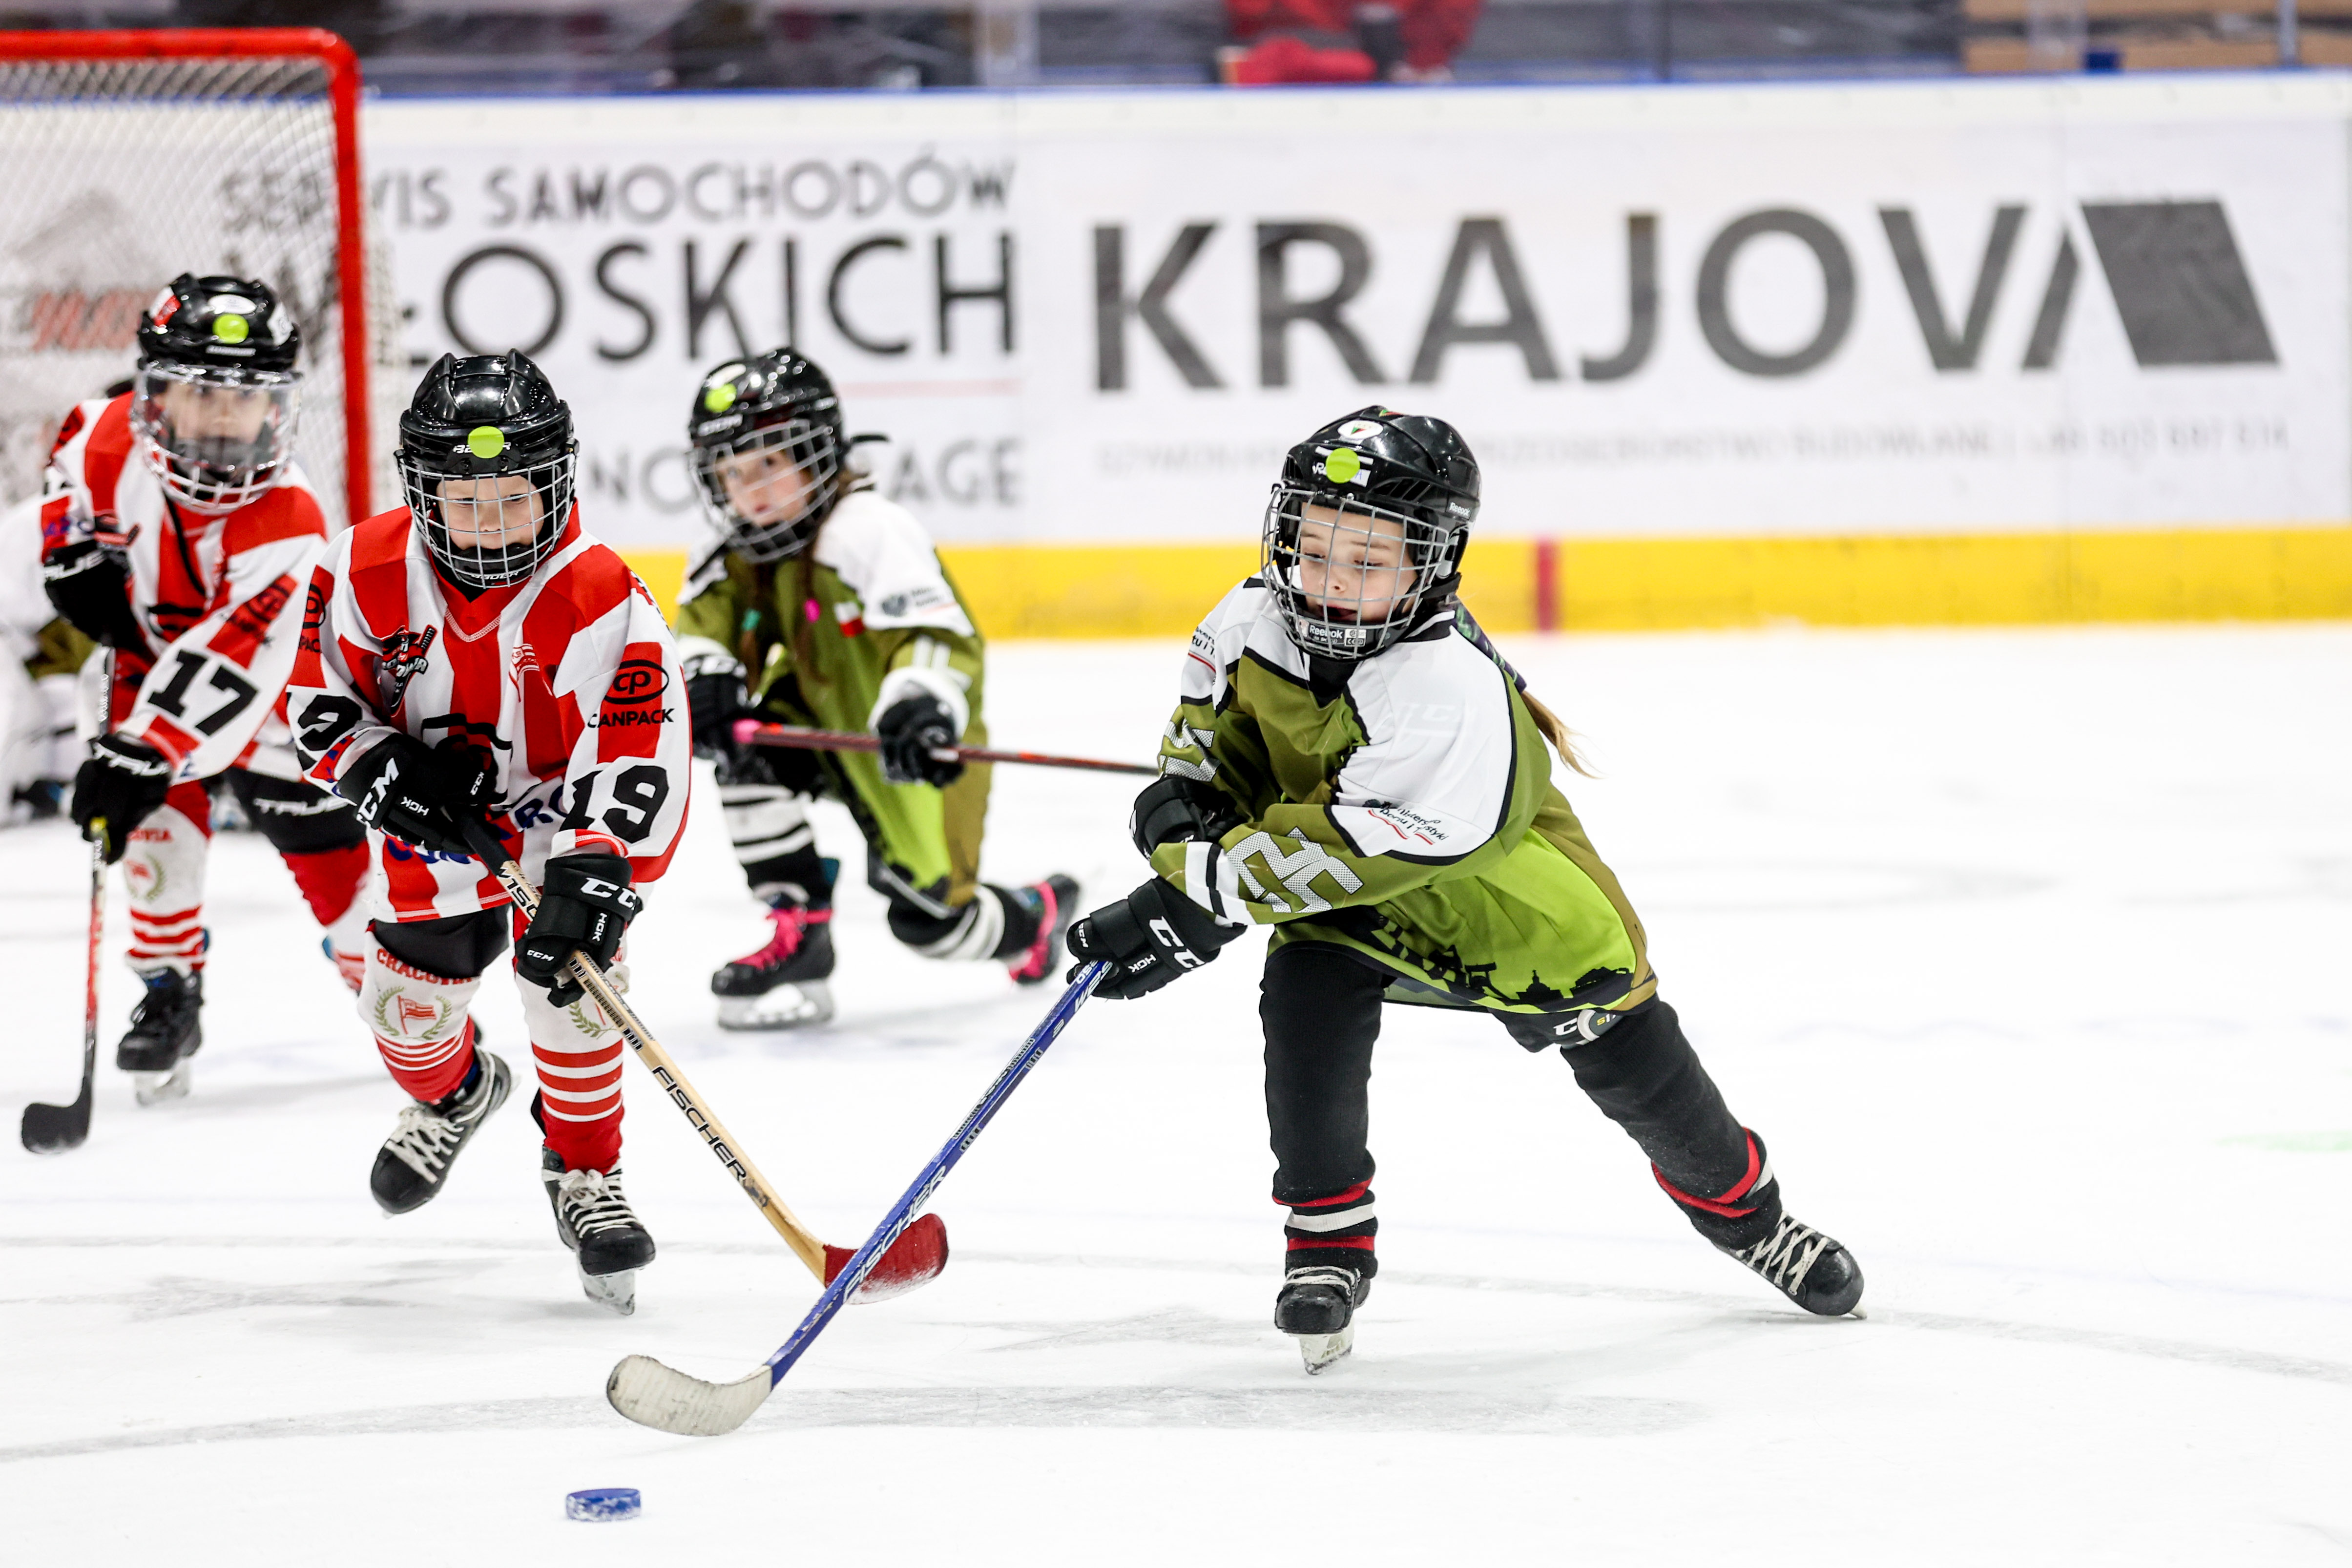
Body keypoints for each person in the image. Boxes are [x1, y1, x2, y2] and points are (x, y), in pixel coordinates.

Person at [1065, 406, 1864, 1371]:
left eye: (1367, 560)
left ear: (1431, 563)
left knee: (1640, 1079)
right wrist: (1187, 810)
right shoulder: (1245, 621)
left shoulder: (1444, 689)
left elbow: (1335, 854)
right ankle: (1325, 1239)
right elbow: (1212, 750)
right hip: (1356, 901)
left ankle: (1752, 1219)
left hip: (1520, 920)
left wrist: (1191, 896)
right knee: (1307, 989)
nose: (1329, 578)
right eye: (1311, 548)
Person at [286, 349, 688, 1314]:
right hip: (440, 828)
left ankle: (585, 1172)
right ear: (423, 493)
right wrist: (376, 764)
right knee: (403, 1015)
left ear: (555, 483)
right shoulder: (359, 570)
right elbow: (317, 699)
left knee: (576, 993)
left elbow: (639, 741)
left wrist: (598, 867)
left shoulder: (601, 594)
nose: (492, 523)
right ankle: (460, 1092)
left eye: (513, 498)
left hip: (560, 819)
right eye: (466, 502)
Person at [38, 276, 372, 1102]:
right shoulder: (100, 437)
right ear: (155, 397)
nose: (226, 417)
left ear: (279, 407)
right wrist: (67, 556)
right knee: (155, 847)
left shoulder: (292, 521)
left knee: (348, 897)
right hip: (147, 665)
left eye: (248, 398)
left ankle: (404, 1004)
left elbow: (234, 661)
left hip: (278, 706)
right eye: (203, 392)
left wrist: (141, 752)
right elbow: (67, 470)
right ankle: (168, 988)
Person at [673, 349, 1076, 1029]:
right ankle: (799, 929)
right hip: (814, 718)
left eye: (769, 463)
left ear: (818, 452)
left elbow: (935, 636)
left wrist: (921, 702)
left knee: (933, 924)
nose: (750, 490)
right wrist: (704, 674)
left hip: (906, 742)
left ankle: (1035, 915)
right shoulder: (736, 549)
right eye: (732, 473)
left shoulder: (868, 529)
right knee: (746, 753)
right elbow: (700, 625)